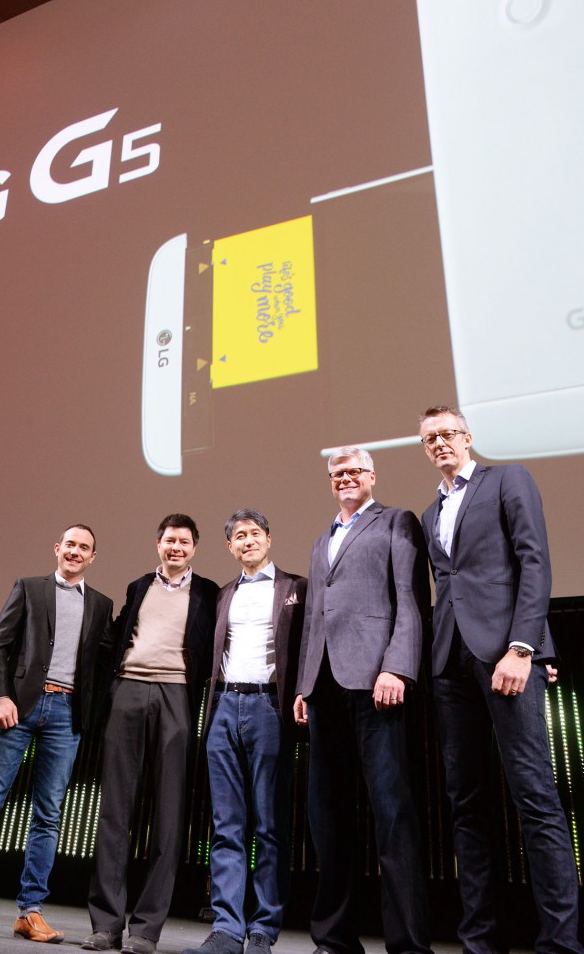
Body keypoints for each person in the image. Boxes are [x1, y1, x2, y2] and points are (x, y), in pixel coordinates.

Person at [418, 404, 582, 954]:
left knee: (534, 795)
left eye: (447, 433)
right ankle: (479, 941)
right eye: (430, 439)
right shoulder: (430, 512)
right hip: (451, 663)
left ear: (467, 436)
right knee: (465, 802)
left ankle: (560, 943)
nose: (440, 443)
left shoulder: (508, 479)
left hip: (507, 657)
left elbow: (534, 561)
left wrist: (525, 647)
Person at [0, 524, 114, 942]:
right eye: (70, 544)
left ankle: (30, 913)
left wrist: (94, 712)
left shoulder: (102, 605)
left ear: (93, 557)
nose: (75, 551)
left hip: (66, 714)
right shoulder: (29, 588)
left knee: (49, 814)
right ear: (57, 548)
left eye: (84, 547)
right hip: (17, 708)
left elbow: (103, 664)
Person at [294, 447, 433, 954]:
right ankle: (334, 939)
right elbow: (315, 617)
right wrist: (304, 685)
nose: (345, 478)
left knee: (392, 813)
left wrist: (398, 666)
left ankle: (409, 944)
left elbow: (411, 599)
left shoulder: (397, 521)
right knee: (327, 815)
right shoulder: (321, 539)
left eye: (354, 471)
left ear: (372, 475)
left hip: (377, 681)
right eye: (337, 473)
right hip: (324, 687)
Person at [83, 514, 218, 954]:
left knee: (169, 815)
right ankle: (106, 925)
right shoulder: (139, 585)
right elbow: (118, 635)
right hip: (128, 690)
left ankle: (145, 930)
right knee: (114, 811)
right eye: (169, 540)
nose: (175, 547)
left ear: (194, 548)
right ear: (158, 544)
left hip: (176, 695)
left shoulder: (209, 592)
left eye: (183, 541)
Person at [182, 509, 307, 954]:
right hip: (223, 707)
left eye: (255, 533)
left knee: (270, 825)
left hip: (270, 707)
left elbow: (309, 648)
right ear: (230, 546)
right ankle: (227, 929)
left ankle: (262, 931)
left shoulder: (296, 588)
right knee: (226, 826)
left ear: (269, 539)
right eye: (239, 535)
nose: (248, 540)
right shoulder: (223, 594)